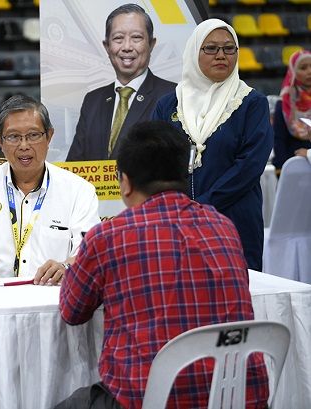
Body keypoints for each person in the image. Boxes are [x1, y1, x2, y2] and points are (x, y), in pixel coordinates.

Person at [58, 121, 268, 409]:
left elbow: (72, 311)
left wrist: (75, 264)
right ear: (184, 173)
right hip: (238, 399)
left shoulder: (109, 236)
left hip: (148, 400)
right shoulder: (223, 226)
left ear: (125, 182)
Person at [152, 19, 273, 271]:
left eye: (229, 48)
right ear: (194, 52)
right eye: (210, 48)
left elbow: (250, 165)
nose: (221, 55)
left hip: (234, 218)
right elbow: (154, 159)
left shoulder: (251, 103)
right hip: (177, 221)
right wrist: (179, 206)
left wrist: (204, 204)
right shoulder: (169, 105)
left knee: (236, 289)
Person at [0, 94, 100, 286]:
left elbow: (90, 253)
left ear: (49, 136)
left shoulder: (79, 191)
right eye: (13, 137)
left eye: (33, 135)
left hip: (53, 296)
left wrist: (66, 267)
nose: (24, 146)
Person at [66, 4, 175, 161]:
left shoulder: (173, 96)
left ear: (151, 44)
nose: (127, 47)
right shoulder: (93, 100)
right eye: (118, 38)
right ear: (107, 46)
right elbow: (75, 164)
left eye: (136, 37)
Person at [273, 50, 311, 173]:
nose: (309, 71)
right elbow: (279, 139)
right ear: (293, 72)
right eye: (303, 68)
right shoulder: (284, 103)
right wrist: (281, 170)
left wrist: (309, 154)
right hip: (292, 167)